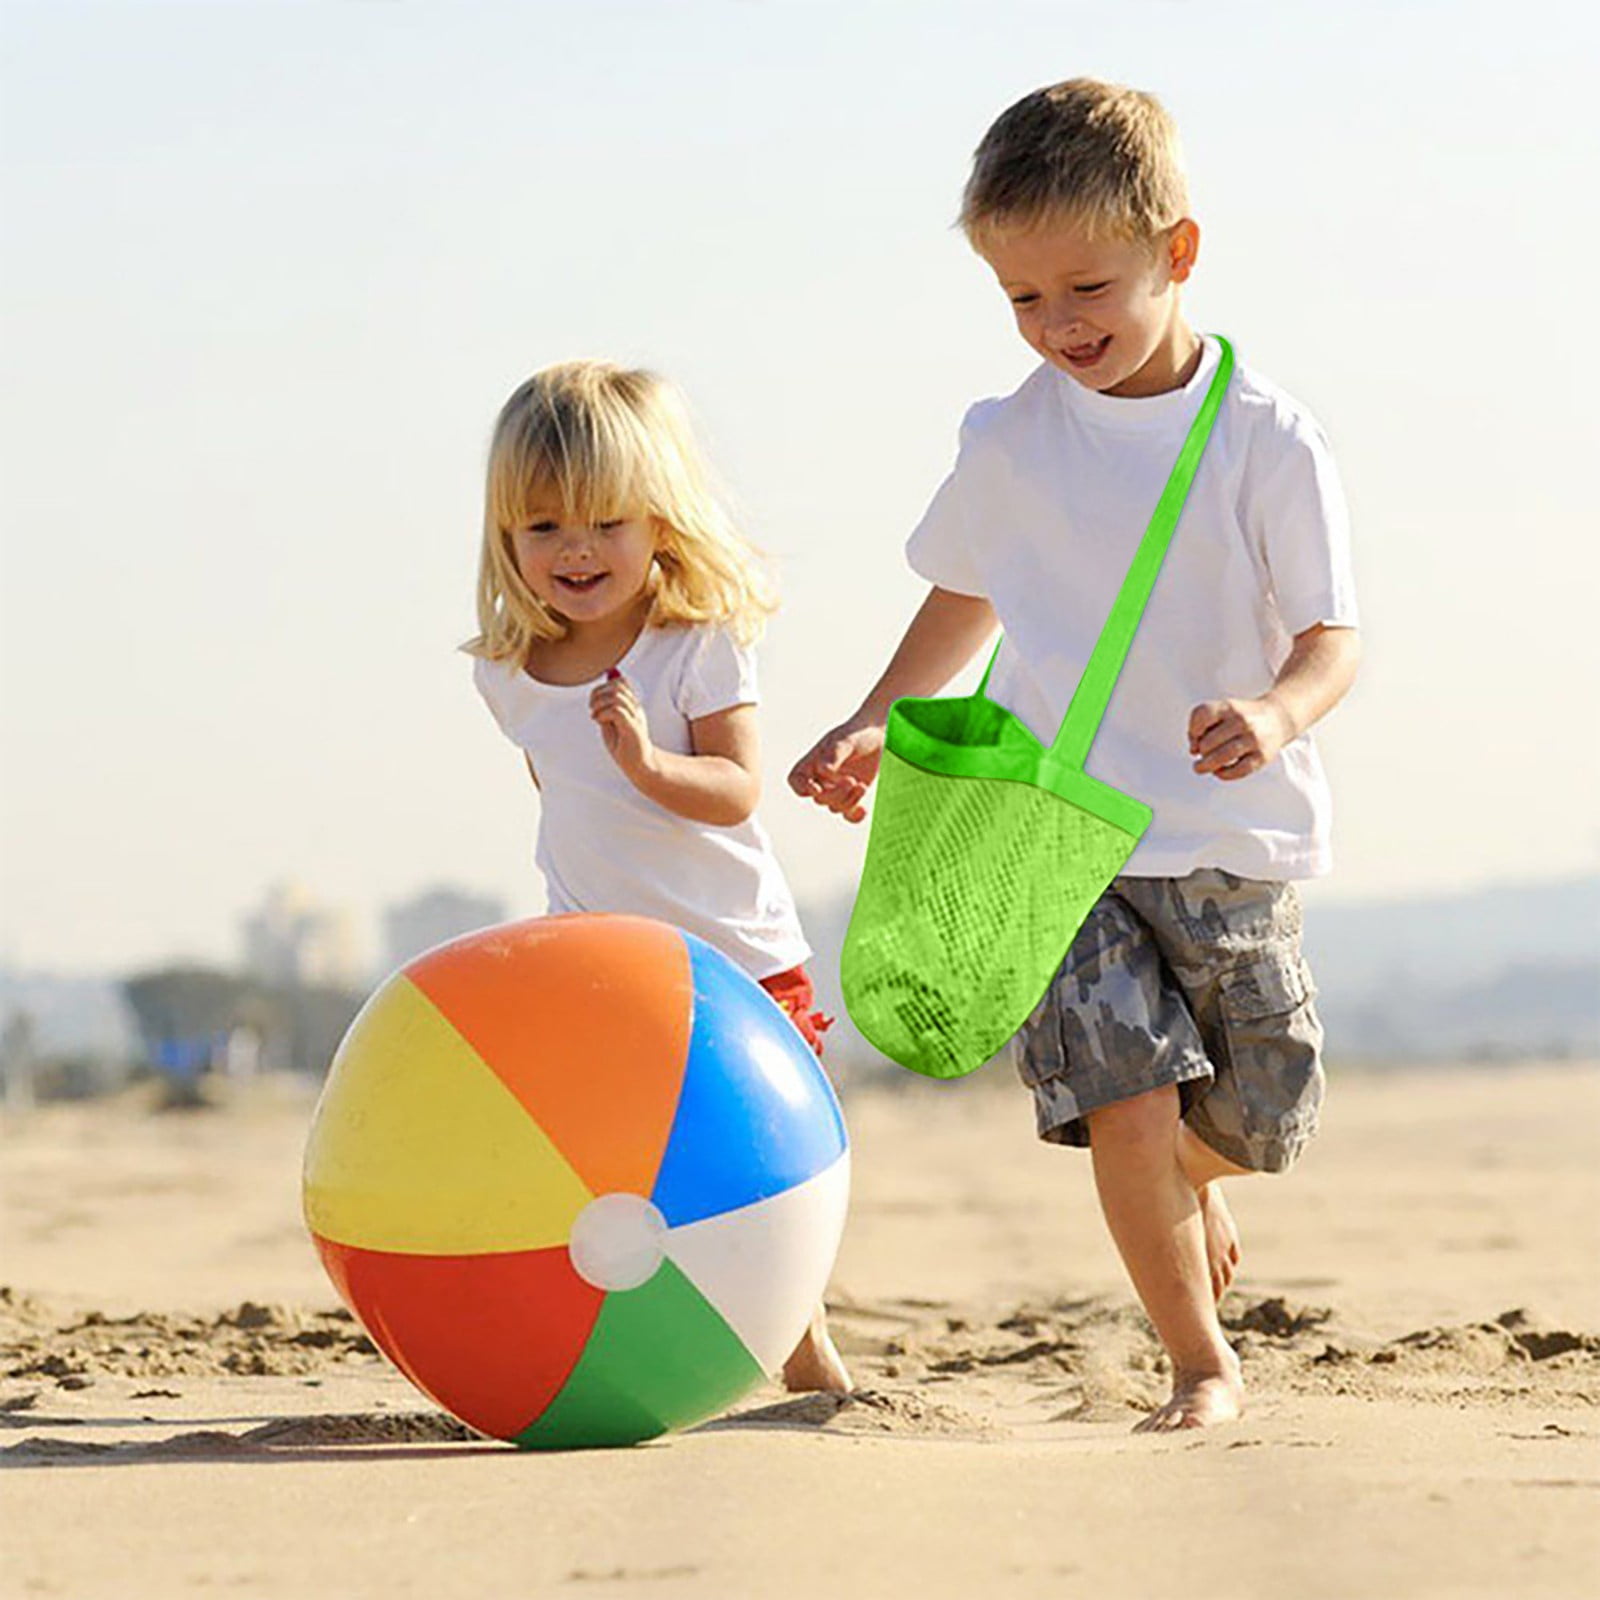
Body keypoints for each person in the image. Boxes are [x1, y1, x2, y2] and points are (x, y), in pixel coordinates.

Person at [789, 79, 1361, 1430]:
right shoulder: (1012, 439)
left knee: (1267, 1110)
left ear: (1178, 251)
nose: (1058, 326)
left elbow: (1332, 637)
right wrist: (873, 713)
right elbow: (965, 591)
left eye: (1088, 288)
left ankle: (1183, 1182)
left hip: (1223, 832)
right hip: (1052, 835)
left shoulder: (1266, 440)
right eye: (1022, 299)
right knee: (1127, 1099)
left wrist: (1275, 714)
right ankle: (1200, 1361)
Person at [466, 358, 850, 1394]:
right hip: (604, 966)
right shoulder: (507, 674)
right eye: (544, 526)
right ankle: (627, 1341)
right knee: (618, 1167)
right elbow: (563, 799)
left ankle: (802, 1339)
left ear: (660, 523)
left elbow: (734, 788)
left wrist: (643, 762)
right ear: (506, 536)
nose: (576, 550)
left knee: (758, 1160)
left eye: (607, 522)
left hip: (735, 956)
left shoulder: (692, 646)